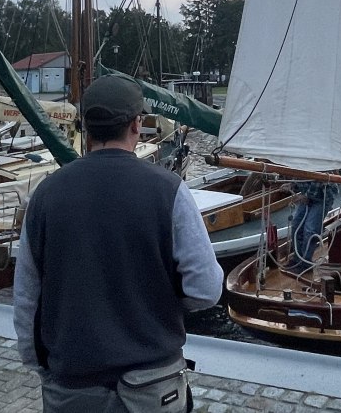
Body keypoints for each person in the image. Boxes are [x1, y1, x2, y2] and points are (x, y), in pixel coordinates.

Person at [14, 73, 221, 412]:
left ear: (86, 128)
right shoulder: (168, 190)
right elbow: (206, 289)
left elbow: (27, 297)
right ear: (137, 125)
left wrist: (41, 366)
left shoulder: (46, 195)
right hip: (152, 385)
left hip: (72, 384)